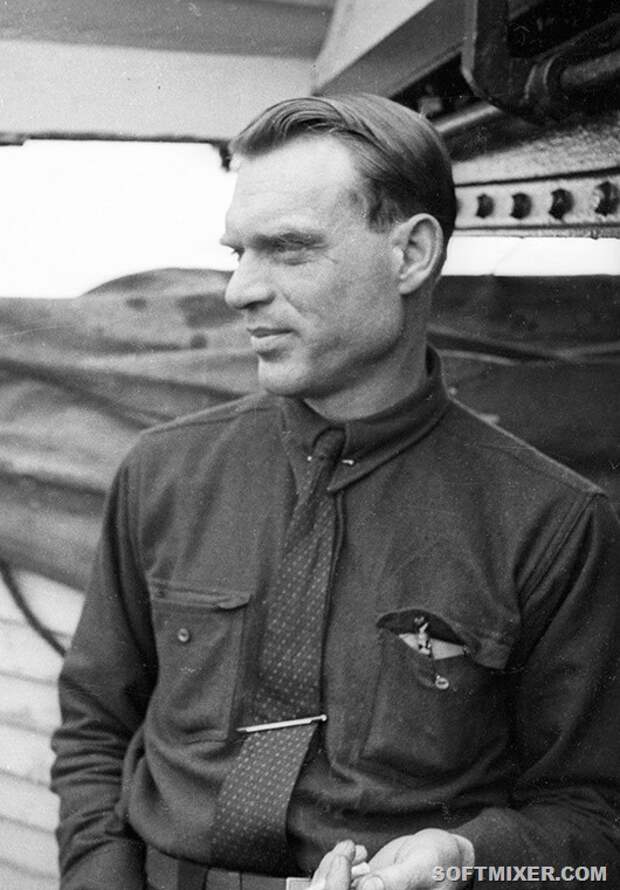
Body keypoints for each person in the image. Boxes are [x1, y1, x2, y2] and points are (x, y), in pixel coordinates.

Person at [51, 94, 620, 890]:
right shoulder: (163, 472)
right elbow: (94, 727)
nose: (240, 290)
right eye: (239, 251)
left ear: (411, 254)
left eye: (288, 250)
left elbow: (595, 821)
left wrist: (468, 859)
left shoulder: (553, 525)